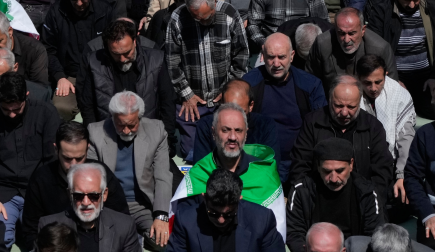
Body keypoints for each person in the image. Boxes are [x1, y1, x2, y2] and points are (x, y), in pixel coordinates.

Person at [0, 70, 60, 245]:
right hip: (2, 192)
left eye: (16, 109)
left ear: (26, 96)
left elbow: (52, 161)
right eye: (6, 109)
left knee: (47, 241)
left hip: (37, 190)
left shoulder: (46, 113)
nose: (11, 114)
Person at [169, 103, 286, 238]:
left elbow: (276, 232)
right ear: (213, 133)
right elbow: (184, 225)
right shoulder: (199, 173)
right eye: (225, 130)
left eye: (238, 130)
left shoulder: (266, 176)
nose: (232, 137)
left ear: (246, 134)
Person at [165, 0, 250, 159]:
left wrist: (229, 91)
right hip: (192, 103)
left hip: (223, 99)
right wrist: (186, 94)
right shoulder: (177, 19)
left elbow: (241, 55)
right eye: (198, 19)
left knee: (229, 151)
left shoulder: (229, 14)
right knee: (193, 155)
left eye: (208, 17)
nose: (204, 23)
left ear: (215, 3)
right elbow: (172, 61)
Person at [85, 92, 172, 246]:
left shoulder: (156, 131)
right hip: (109, 205)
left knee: (162, 242)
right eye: (120, 124)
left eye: (131, 125)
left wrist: (161, 216)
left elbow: (162, 176)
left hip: (142, 205)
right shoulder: (95, 133)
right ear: (112, 117)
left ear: (140, 118)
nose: (126, 131)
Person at [288, 77, 394, 203]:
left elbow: (382, 172)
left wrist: (368, 202)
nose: (344, 112)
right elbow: (300, 167)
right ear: (330, 100)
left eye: (351, 107)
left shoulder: (373, 127)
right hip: (319, 199)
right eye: (338, 106)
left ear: (359, 102)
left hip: (360, 200)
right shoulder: (312, 123)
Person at [242, 33, 327, 180]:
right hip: (260, 162)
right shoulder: (249, 83)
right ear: (262, 55)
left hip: (299, 163)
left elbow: (321, 127)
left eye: (281, 57)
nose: (276, 64)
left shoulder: (309, 85)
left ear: (292, 55)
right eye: (271, 57)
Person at [42, 0, 122, 120]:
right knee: (60, 107)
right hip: (69, 76)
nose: (79, 3)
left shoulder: (105, 11)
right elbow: (48, 49)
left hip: (99, 73)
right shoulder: (56, 13)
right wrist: (60, 77)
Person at [284, 138, 381, 252]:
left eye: (340, 171)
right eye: (327, 171)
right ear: (318, 166)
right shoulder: (302, 190)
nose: (334, 179)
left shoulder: (367, 192)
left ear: (351, 164)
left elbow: (374, 235)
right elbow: (294, 233)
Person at [164, 169, 284, 252]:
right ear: (204, 198)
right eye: (213, 213)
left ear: (239, 200)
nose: (221, 220)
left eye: (229, 214)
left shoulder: (262, 220)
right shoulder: (185, 220)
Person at [36, 162, 143, 252]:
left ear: (104, 194)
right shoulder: (48, 225)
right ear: (69, 195)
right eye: (78, 196)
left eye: (93, 196)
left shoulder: (124, 226)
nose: (86, 202)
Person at [355, 54, 415, 202]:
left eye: (378, 82)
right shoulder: (351, 94)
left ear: (386, 74)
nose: (373, 88)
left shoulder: (399, 95)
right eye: (367, 83)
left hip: (392, 164)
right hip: (360, 165)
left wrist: (402, 175)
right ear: (358, 78)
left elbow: (406, 138)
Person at [309, 8, 396, 91]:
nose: (346, 40)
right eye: (341, 33)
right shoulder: (322, 44)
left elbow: (392, 87)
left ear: (363, 30)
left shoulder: (380, 49)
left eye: (351, 33)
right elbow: (311, 81)